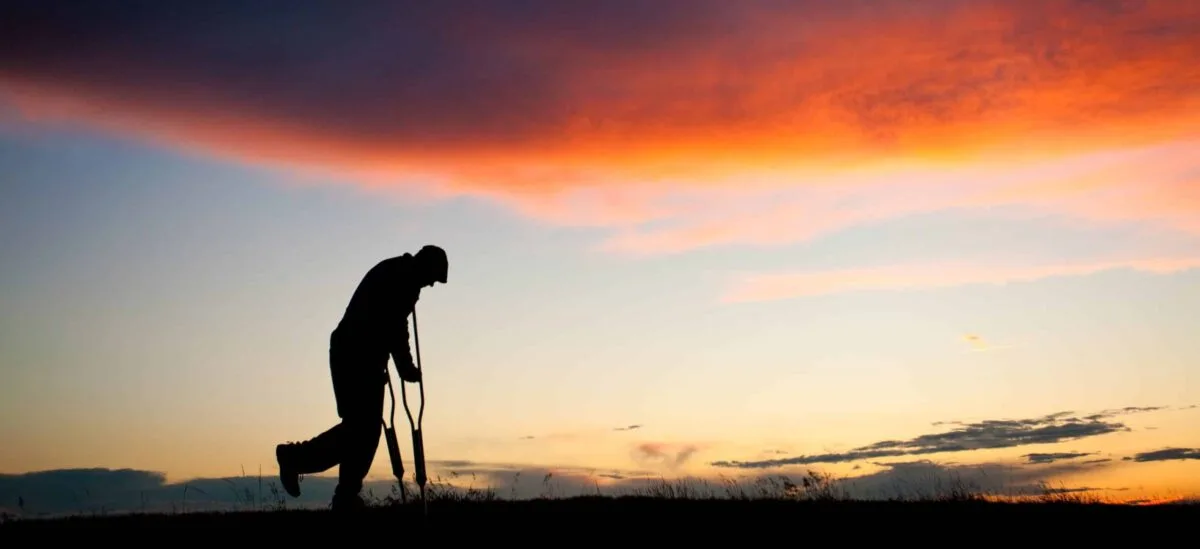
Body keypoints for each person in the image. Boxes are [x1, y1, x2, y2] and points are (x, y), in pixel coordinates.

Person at [275, 245, 448, 511]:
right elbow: (394, 327)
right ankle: (296, 459)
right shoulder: (401, 279)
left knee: (362, 432)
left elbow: (392, 325)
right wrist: (405, 367)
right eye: (433, 278)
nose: (431, 286)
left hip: (360, 357)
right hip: (354, 357)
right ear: (426, 266)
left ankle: (344, 494)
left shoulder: (401, 274)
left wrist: (397, 363)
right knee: (360, 431)